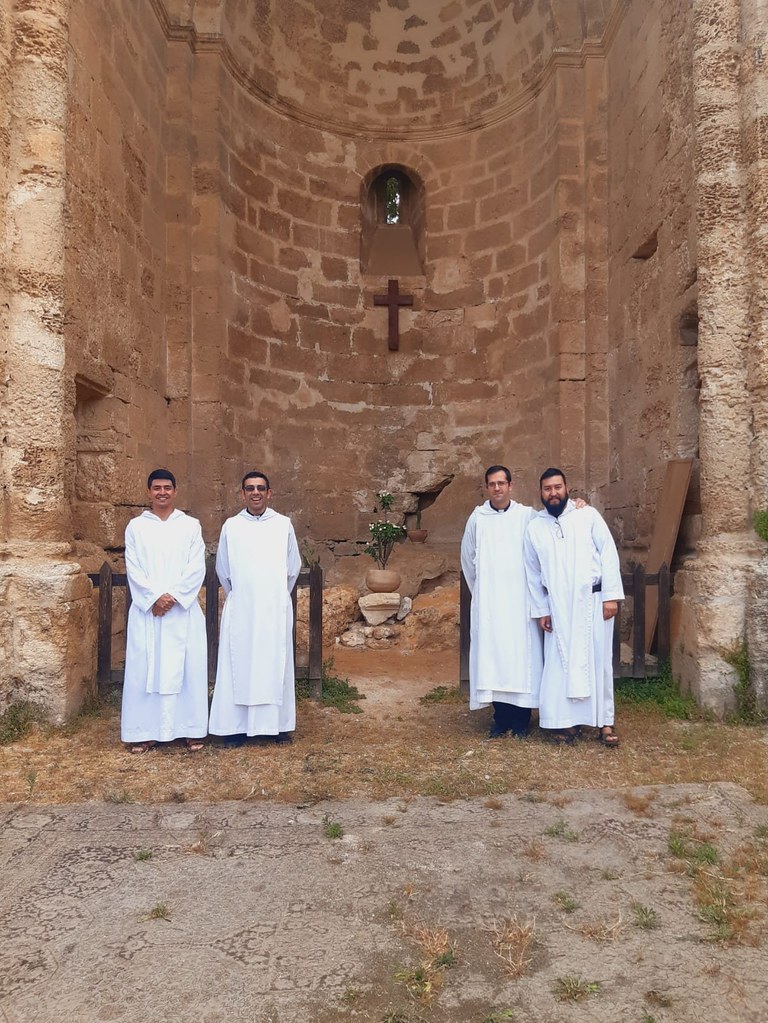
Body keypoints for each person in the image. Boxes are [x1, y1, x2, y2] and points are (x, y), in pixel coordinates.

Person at [523, 468, 624, 747]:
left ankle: (605, 722)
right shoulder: (535, 527)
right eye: (547, 489)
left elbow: (608, 552)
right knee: (560, 666)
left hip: (592, 603)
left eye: (557, 487)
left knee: (598, 663)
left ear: (567, 488)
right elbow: (532, 573)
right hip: (557, 608)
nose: (553, 493)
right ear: (540, 492)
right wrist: (542, 609)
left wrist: (610, 596)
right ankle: (567, 723)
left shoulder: (587, 515)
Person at [209, 471, 302, 745]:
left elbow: (293, 566)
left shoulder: (283, 525)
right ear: (242, 494)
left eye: (261, 488)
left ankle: (276, 727)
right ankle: (235, 728)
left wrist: (274, 596)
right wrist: (242, 596)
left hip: (274, 608)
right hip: (242, 609)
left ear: (270, 493)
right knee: (239, 664)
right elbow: (223, 569)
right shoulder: (231, 526)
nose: (255, 493)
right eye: (249, 488)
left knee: (274, 664)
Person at [121, 468, 208, 753]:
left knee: (187, 670)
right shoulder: (136, 527)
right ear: (148, 492)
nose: (162, 492)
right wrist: (154, 598)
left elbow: (197, 566)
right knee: (146, 670)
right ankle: (146, 731)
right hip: (149, 612)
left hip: (182, 611)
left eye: (167, 487)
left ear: (175, 490)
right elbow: (133, 567)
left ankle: (190, 729)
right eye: (156, 488)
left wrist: (175, 597)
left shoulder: (190, 525)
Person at [460, 465, 544, 738]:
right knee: (493, 659)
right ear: (487, 488)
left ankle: (521, 720)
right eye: (492, 484)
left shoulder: (527, 517)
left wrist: (578, 505)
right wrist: (484, 593)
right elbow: (467, 559)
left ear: (511, 485)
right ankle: (500, 718)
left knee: (520, 659)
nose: (497, 488)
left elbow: (546, 538)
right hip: (491, 605)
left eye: (501, 483)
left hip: (519, 604)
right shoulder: (478, 518)